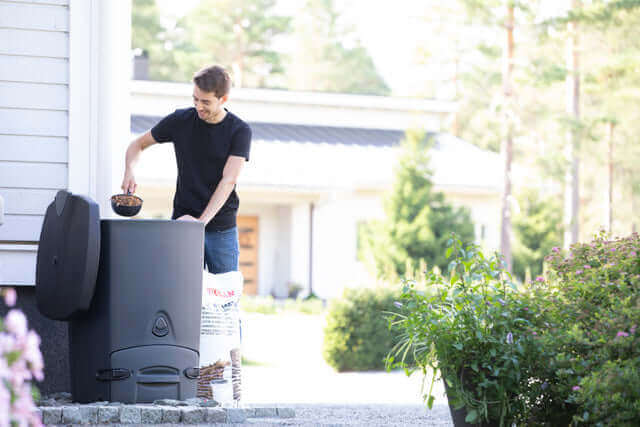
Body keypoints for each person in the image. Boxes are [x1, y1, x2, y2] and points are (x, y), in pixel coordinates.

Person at [121, 65, 251, 274]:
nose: (199, 106)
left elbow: (228, 180)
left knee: (224, 299)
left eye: (206, 102)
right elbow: (137, 145)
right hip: (182, 223)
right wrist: (129, 169)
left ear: (223, 99)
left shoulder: (239, 131)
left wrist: (200, 223)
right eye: (195, 99)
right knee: (180, 295)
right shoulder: (180, 121)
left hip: (221, 228)